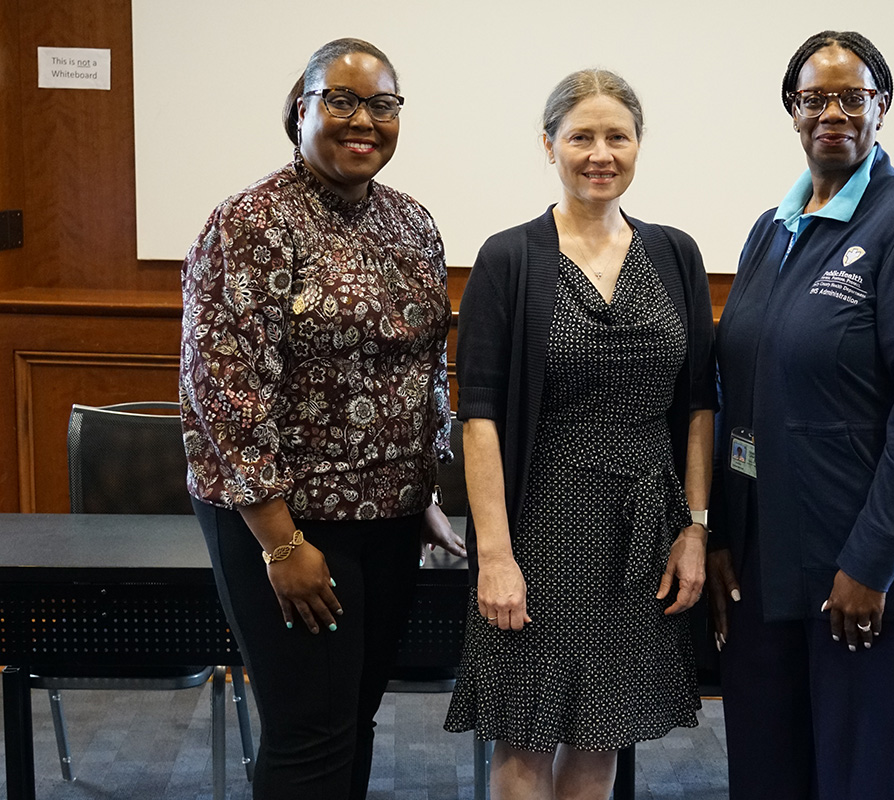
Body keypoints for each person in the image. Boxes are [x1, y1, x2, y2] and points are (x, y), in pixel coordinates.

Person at [706, 31, 894, 800]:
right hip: (772, 565)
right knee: (769, 778)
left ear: (881, 108)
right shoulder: (774, 228)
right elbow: (744, 388)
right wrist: (727, 532)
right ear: (792, 112)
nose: (832, 111)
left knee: (865, 783)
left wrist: (872, 564)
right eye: (814, 98)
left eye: (852, 96)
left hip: (876, 573)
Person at [179, 37, 466, 800]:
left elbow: (426, 368)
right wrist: (280, 542)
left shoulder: (414, 224)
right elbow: (224, 392)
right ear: (300, 110)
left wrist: (427, 490)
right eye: (340, 100)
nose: (362, 119)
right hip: (288, 519)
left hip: (392, 514)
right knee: (311, 729)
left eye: (382, 104)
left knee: (355, 716)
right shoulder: (248, 223)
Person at [444, 69, 717, 800]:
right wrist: (493, 556)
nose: (601, 153)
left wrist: (694, 527)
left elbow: (698, 406)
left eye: (617, 136)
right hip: (539, 526)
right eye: (581, 136)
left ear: (638, 146)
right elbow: (480, 419)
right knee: (526, 734)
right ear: (549, 145)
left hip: (644, 532)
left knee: (603, 733)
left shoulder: (675, 254)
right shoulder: (509, 258)